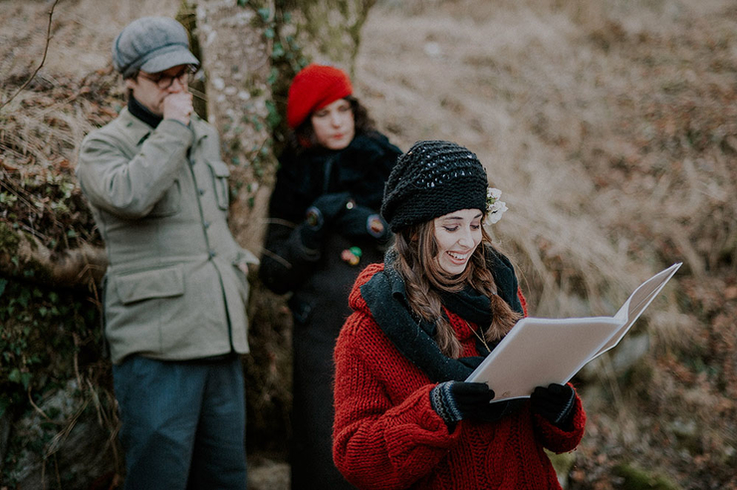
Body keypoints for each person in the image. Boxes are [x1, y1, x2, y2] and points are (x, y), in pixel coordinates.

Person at [332, 140, 587, 489]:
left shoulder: (501, 294)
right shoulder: (367, 331)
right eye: (452, 227)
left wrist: (560, 407)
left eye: (476, 224)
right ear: (415, 230)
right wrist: (434, 411)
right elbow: (356, 459)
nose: (468, 241)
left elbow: (561, 439)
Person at [75, 17, 257, 489]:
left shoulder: (204, 136)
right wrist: (174, 127)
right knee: (160, 478)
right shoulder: (102, 147)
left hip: (219, 335)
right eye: (162, 78)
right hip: (157, 347)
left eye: (184, 75)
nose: (178, 89)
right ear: (131, 81)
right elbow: (131, 196)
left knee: (225, 477)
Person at [258, 64, 402, 489]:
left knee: (384, 439)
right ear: (307, 123)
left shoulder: (386, 162)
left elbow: (424, 247)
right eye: (323, 114)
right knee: (324, 444)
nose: (337, 122)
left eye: (343, 109)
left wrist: (374, 225)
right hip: (320, 336)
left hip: (385, 325)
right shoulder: (294, 176)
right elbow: (274, 272)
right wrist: (312, 227)